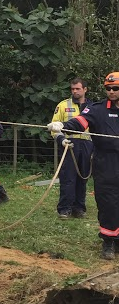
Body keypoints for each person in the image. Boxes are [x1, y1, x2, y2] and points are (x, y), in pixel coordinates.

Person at [48, 72, 119, 260]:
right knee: (107, 203)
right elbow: (80, 122)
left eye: (115, 88)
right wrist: (62, 126)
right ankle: (108, 242)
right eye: (108, 88)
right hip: (106, 164)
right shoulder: (97, 109)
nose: (111, 91)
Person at [50, 78, 93, 219]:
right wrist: (61, 139)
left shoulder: (93, 107)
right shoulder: (63, 105)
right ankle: (64, 209)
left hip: (87, 145)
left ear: (85, 89)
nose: (75, 91)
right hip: (69, 144)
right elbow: (54, 128)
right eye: (73, 89)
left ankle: (79, 208)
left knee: (83, 177)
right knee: (68, 177)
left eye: (78, 89)